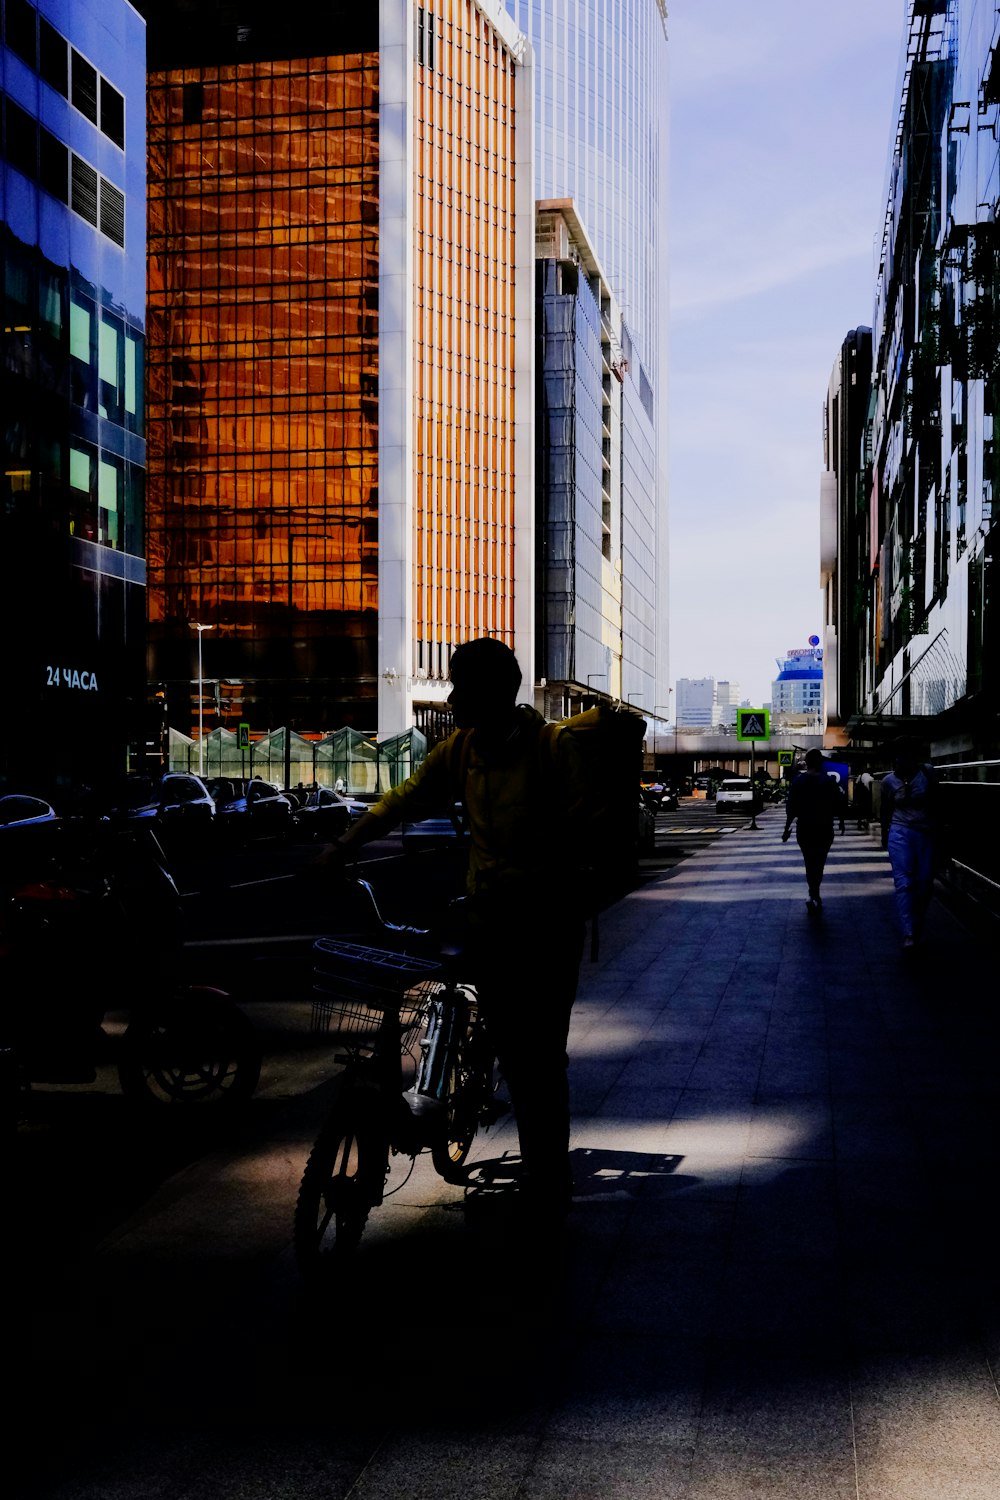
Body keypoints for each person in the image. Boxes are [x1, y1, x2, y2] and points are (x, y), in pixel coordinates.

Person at [315, 637, 587, 1220]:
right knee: (514, 1049)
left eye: (464, 686)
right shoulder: (461, 751)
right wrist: (343, 846)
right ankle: (477, 1101)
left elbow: (587, 833)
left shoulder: (550, 748)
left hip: (546, 931)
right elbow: (402, 800)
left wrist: (554, 885)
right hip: (489, 923)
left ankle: (550, 1176)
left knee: (539, 1061)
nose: (455, 696)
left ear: (494, 692)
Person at [879, 739, 939, 951]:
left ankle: (916, 923)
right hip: (899, 832)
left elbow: (939, 803)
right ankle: (910, 932)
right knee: (904, 882)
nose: (900, 760)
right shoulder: (888, 782)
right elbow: (885, 809)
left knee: (924, 884)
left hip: (926, 832)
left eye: (904, 755)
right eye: (897, 756)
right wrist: (885, 835)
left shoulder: (928, 774)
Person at [781, 748, 847, 915]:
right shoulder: (829, 781)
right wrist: (841, 822)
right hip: (824, 828)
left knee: (809, 861)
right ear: (821, 762)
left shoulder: (798, 781)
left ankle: (813, 892)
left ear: (807, 762)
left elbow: (791, 807)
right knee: (820, 861)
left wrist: (786, 828)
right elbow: (838, 803)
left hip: (805, 828)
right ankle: (815, 892)